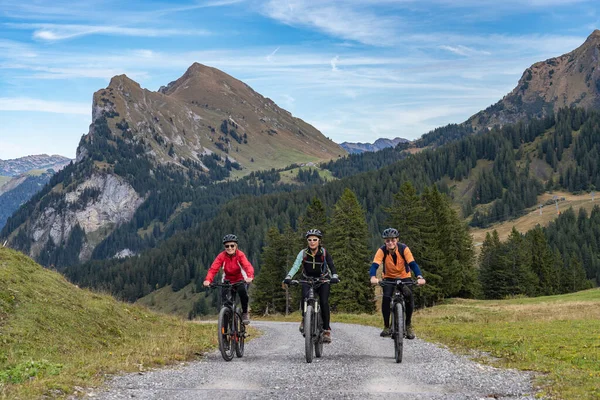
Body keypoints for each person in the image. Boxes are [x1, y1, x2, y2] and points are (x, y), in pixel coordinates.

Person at [283, 229, 339, 343]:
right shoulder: (303, 253)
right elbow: (295, 266)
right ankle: (305, 319)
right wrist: (289, 277)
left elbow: (331, 265)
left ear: (319, 241)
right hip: (307, 279)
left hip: (323, 279)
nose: (312, 242)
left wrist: (334, 276)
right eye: (309, 240)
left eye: (315, 240)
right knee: (304, 298)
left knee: (324, 302)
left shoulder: (324, 252)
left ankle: (326, 330)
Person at [369, 228, 426, 339]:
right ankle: (386, 326)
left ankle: (408, 325)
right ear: (385, 241)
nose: (390, 242)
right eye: (387, 240)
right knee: (386, 298)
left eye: (393, 240)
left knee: (409, 297)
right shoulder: (382, 250)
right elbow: (375, 265)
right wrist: (373, 277)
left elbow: (413, 264)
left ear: (397, 240)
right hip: (389, 278)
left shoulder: (404, 249)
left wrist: (420, 276)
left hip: (405, 277)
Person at [204, 234, 255, 324]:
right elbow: (213, 269)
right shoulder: (221, 256)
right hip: (227, 281)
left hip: (240, 279)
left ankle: (244, 313)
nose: (230, 248)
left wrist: (250, 276)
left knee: (243, 294)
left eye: (232, 245)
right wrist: (208, 280)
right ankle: (227, 321)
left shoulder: (240, 255)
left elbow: (247, 266)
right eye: (227, 246)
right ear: (224, 247)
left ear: (236, 246)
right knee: (226, 302)